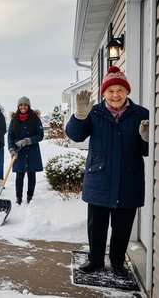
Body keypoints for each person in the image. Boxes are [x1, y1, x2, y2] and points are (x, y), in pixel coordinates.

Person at [66, 66, 149, 277]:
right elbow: (75, 136)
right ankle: (95, 260)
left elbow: (148, 151)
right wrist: (79, 116)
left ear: (127, 92)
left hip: (128, 178)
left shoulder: (142, 114)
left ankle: (118, 262)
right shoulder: (94, 112)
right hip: (99, 178)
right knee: (97, 226)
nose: (115, 95)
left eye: (120, 90)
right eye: (110, 91)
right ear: (103, 93)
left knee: (122, 227)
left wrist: (147, 139)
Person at [7, 96, 44, 205]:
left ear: (28, 106)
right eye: (21, 105)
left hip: (32, 150)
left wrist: (28, 140)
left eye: (25, 105)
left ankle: (30, 196)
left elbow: (40, 135)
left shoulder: (35, 119)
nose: (23, 107)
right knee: (20, 175)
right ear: (18, 107)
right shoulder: (14, 120)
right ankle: (19, 197)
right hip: (19, 151)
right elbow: (10, 136)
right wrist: (11, 149)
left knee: (31, 175)